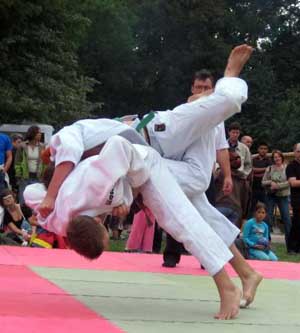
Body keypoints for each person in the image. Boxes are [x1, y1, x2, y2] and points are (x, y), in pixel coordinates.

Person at [33, 44, 262, 308]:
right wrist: (123, 198)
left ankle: (229, 78)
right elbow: (44, 198)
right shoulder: (71, 205)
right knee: (198, 208)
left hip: (156, 134)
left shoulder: (68, 140)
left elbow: (74, 156)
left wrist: (50, 197)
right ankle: (247, 273)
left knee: (199, 179)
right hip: (153, 159)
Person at [27, 135, 249, 320]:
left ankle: (226, 287)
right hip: (120, 178)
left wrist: (131, 191)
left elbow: (118, 143)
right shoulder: (60, 220)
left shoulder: (95, 185)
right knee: (191, 215)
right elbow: (30, 194)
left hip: (144, 163)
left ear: (96, 221)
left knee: (181, 221)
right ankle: (245, 275)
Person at [163, 69, 233, 267]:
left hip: (205, 174)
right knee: (176, 211)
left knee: (207, 215)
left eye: (207, 88)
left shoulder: (218, 118)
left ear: (213, 90)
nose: (202, 91)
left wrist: (227, 175)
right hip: (180, 171)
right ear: (191, 89)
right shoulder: (182, 112)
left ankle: (207, 258)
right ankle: (171, 254)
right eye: (199, 87)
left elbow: (222, 148)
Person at [262, 150, 291, 249]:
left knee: (286, 218)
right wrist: (270, 182)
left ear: (282, 157)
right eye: (275, 157)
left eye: (278, 156)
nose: (277, 158)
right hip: (271, 196)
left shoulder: (287, 168)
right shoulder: (269, 168)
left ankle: (290, 245)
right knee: (267, 218)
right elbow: (263, 182)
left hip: (283, 196)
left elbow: (289, 182)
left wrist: (277, 186)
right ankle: (266, 243)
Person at [15, 125, 46, 204]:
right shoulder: (23, 146)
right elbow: (17, 162)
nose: (40, 134)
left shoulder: (43, 146)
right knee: (23, 200)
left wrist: (44, 175)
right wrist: (19, 175)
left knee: (36, 200)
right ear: (33, 133)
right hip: (25, 177)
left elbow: (45, 162)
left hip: (38, 178)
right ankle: (23, 216)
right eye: (38, 132)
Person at [227, 122, 252, 219]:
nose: (235, 135)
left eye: (237, 133)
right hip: (225, 175)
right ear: (229, 132)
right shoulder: (222, 145)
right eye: (233, 132)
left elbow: (248, 164)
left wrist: (244, 175)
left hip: (239, 178)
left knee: (238, 203)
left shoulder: (244, 148)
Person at [286, 143, 300, 253]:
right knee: (296, 223)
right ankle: (291, 247)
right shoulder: (291, 166)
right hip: (297, 199)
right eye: (298, 151)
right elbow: (293, 182)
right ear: (294, 152)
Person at [250, 142, 272, 213]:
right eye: (261, 148)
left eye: (265, 149)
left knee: (267, 208)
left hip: (265, 189)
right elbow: (251, 169)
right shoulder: (253, 159)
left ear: (267, 150)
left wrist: (256, 171)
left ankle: (267, 223)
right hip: (253, 187)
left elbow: (270, 172)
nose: (263, 150)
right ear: (258, 149)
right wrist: (265, 169)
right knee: (251, 208)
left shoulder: (270, 160)